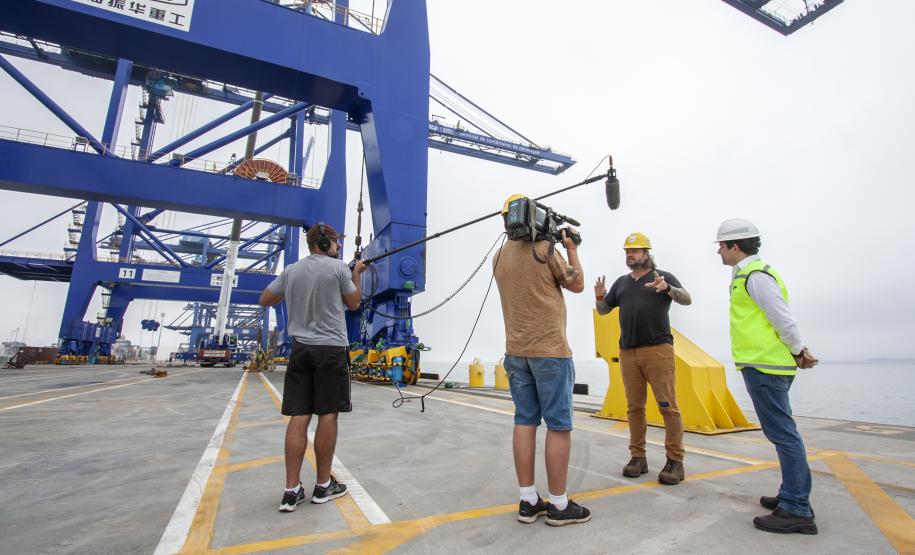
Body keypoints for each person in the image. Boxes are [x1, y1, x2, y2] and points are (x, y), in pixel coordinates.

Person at [493, 194, 591, 526]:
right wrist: (571, 247)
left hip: (515, 353)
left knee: (524, 422)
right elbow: (577, 284)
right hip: (550, 353)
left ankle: (528, 500)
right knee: (558, 426)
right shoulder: (545, 250)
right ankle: (559, 505)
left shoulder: (499, 257)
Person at [716, 218, 819, 535]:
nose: (718, 252)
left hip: (765, 366)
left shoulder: (755, 276)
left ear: (735, 247)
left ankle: (797, 507)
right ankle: (790, 493)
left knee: (783, 434)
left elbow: (782, 318)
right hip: (765, 365)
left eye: (721, 246)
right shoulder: (746, 274)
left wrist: (798, 351)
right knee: (782, 433)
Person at [258, 222, 366, 512]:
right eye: (336, 242)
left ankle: (291, 490)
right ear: (324, 244)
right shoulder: (339, 268)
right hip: (330, 351)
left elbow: (265, 299)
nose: (339, 246)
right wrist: (356, 273)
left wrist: (293, 293)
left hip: (300, 350)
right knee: (328, 415)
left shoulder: (291, 270)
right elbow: (354, 303)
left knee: (299, 416)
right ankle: (322, 486)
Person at [594, 232, 692, 485]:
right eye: (627, 251)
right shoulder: (622, 283)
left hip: (658, 350)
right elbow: (604, 311)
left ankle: (675, 461)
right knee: (634, 408)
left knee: (667, 406)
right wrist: (600, 296)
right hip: (628, 352)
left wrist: (667, 288)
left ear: (647, 253)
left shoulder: (662, 276)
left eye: (635, 251)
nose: (630, 255)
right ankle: (638, 457)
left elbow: (687, 299)